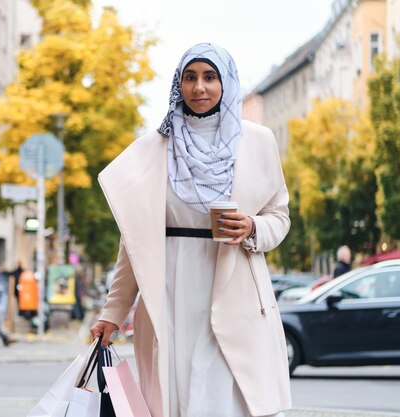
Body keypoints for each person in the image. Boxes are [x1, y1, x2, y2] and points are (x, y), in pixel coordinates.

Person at [90, 43, 291, 417]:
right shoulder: (155, 149)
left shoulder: (258, 141)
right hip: (168, 292)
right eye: (190, 77)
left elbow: (279, 217)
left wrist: (251, 227)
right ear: (178, 85)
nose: (199, 87)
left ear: (225, 82)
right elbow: (134, 241)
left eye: (210, 77)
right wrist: (113, 311)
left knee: (222, 393)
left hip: (233, 287)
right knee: (176, 394)